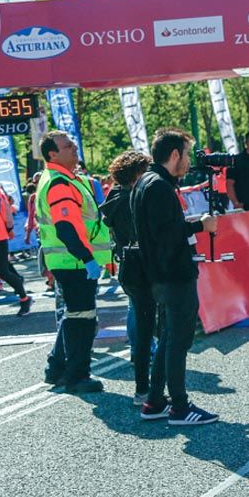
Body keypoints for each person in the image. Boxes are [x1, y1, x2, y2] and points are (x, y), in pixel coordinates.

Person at [131, 129, 220, 425]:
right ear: (174, 155)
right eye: (186, 154)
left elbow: (162, 229)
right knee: (178, 341)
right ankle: (180, 407)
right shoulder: (158, 186)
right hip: (173, 274)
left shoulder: (147, 182)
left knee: (169, 338)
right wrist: (199, 226)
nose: (188, 162)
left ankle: (155, 402)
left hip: (161, 274)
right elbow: (166, 233)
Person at [36, 131, 113, 393]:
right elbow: (66, 226)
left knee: (74, 315)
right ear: (52, 155)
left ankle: (56, 368)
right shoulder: (60, 183)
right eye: (68, 146)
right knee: (83, 318)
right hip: (74, 262)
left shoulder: (65, 179)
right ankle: (77, 376)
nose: (74, 148)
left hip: (69, 261)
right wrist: (88, 258)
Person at [100, 150, 156, 405]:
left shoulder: (115, 196)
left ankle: (143, 386)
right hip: (142, 264)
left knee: (140, 317)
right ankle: (145, 391)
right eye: (146, 170)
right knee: (147, 325)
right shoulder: (133, 197)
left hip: (127, 264)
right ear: (137, 173)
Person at [0, 184, 31, 316]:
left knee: (3, 271)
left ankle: (25, 298)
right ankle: (18, 280)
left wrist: (9, 228)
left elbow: (5, 210)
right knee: (4, 268)